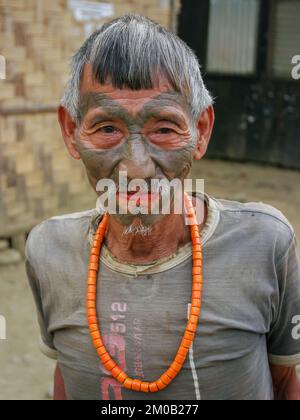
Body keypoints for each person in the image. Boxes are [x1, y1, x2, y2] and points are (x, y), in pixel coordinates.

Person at [25, 14, 300, 400]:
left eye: (164, 129)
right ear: (71, 132)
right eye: (107, 128)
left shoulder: (265, 243)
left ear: (201, 131)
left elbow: (284, 382)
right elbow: (67, 379)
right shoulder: (49, 250)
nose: (136, 167)